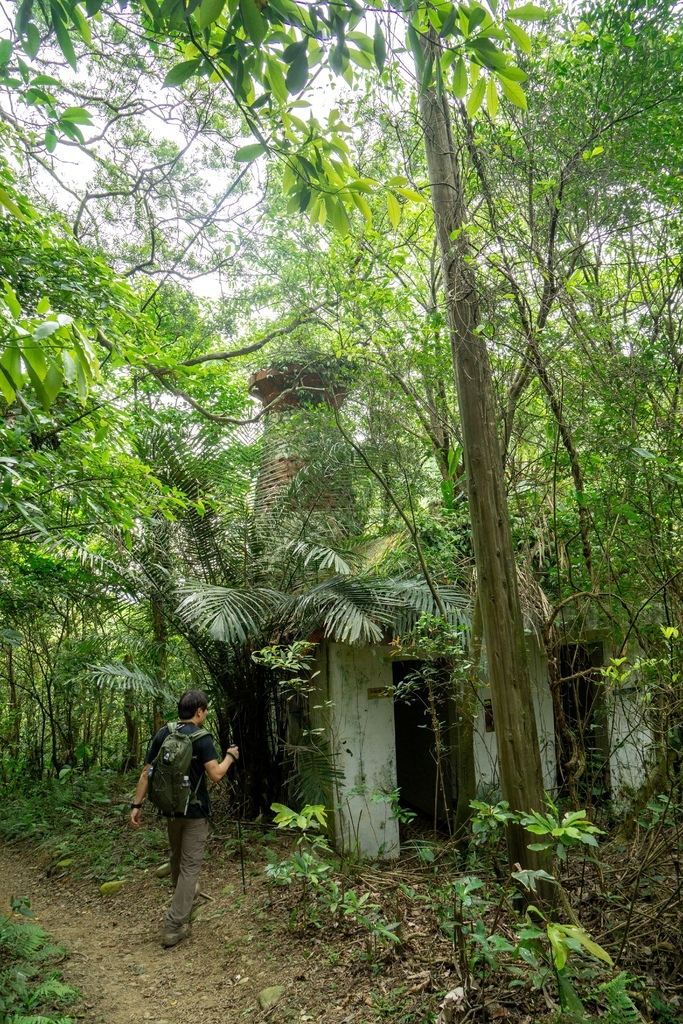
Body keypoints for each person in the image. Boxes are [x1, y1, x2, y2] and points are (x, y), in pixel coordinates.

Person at [130, 689, 239, 948]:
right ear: (199, 711)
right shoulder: (202, 738)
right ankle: (173, 926)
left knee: (177, 858)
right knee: (190, 867)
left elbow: (147, 773)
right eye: (206, 709)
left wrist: (136, 804)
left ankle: (186, 897)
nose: (207, 713)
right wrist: (230, 757)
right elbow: (216, 775)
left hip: (170, 810)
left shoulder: (163, 733)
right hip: (195, 812)